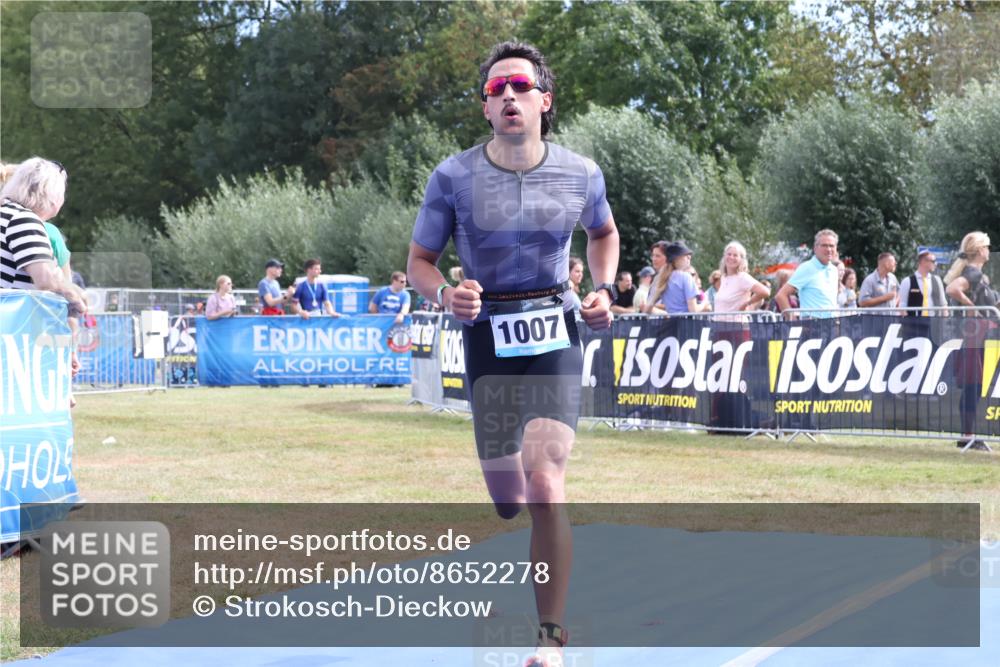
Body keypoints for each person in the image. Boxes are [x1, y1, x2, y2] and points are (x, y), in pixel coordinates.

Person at [406, 41, 618, 666]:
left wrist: (603, 289)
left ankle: (550, 638)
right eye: (495, 90)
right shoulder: (452, 178)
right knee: (510, 500)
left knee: (546, 484)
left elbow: (604, 233)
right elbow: (419, 262)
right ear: (485, 108)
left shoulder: (581, 173)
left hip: (555, 327)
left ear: (544, 100)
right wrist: (446, 294)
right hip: (486, 334)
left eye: (519, 86)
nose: (507, 96)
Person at [944, 232, 995, 452]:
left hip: (981, 335)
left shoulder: (979, 276)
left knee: (975, 386)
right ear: (980, 250)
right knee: (973, 385)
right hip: (977, 335)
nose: (989, 250)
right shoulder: (973, 274)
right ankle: (968, 435)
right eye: (987, 247)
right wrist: (972, 307)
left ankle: (968, 434)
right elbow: (952, 288)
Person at [775, 229, 840, 319]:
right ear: (815, 248)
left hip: (832, 323)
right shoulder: (807, 268)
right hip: (812, 323)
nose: (829, 249)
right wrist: (793, 321)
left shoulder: (834, 270)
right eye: (824, 245)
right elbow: (781, 296)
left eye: (832, 246)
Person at [647, 241, 710, 315]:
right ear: (677, 258)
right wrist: (704, 303)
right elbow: (693, 310)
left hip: (670, 321)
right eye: (686, 255)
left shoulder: (663, 277)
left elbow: (648, 308)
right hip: (686, 321)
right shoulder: (686, 277)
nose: (689, 257)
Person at [713, 241, 770, 318]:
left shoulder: (742, 277)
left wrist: (747, 303)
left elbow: (765, 292)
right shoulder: (724, 277)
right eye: (729, 254)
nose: (731, 257)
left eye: (735, 255)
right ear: (724, 256)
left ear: (741, 259)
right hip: (719, 323)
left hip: (736, 323)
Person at [898, 251, 947, 317]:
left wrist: (945, 320)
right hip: (914, 321)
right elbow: (902, 305)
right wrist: (908, 321)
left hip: (934, 320)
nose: (936, 264)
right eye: (933, 261)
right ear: (924, 262)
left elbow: (943, 304)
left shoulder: (937, 280)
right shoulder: (907, 281)